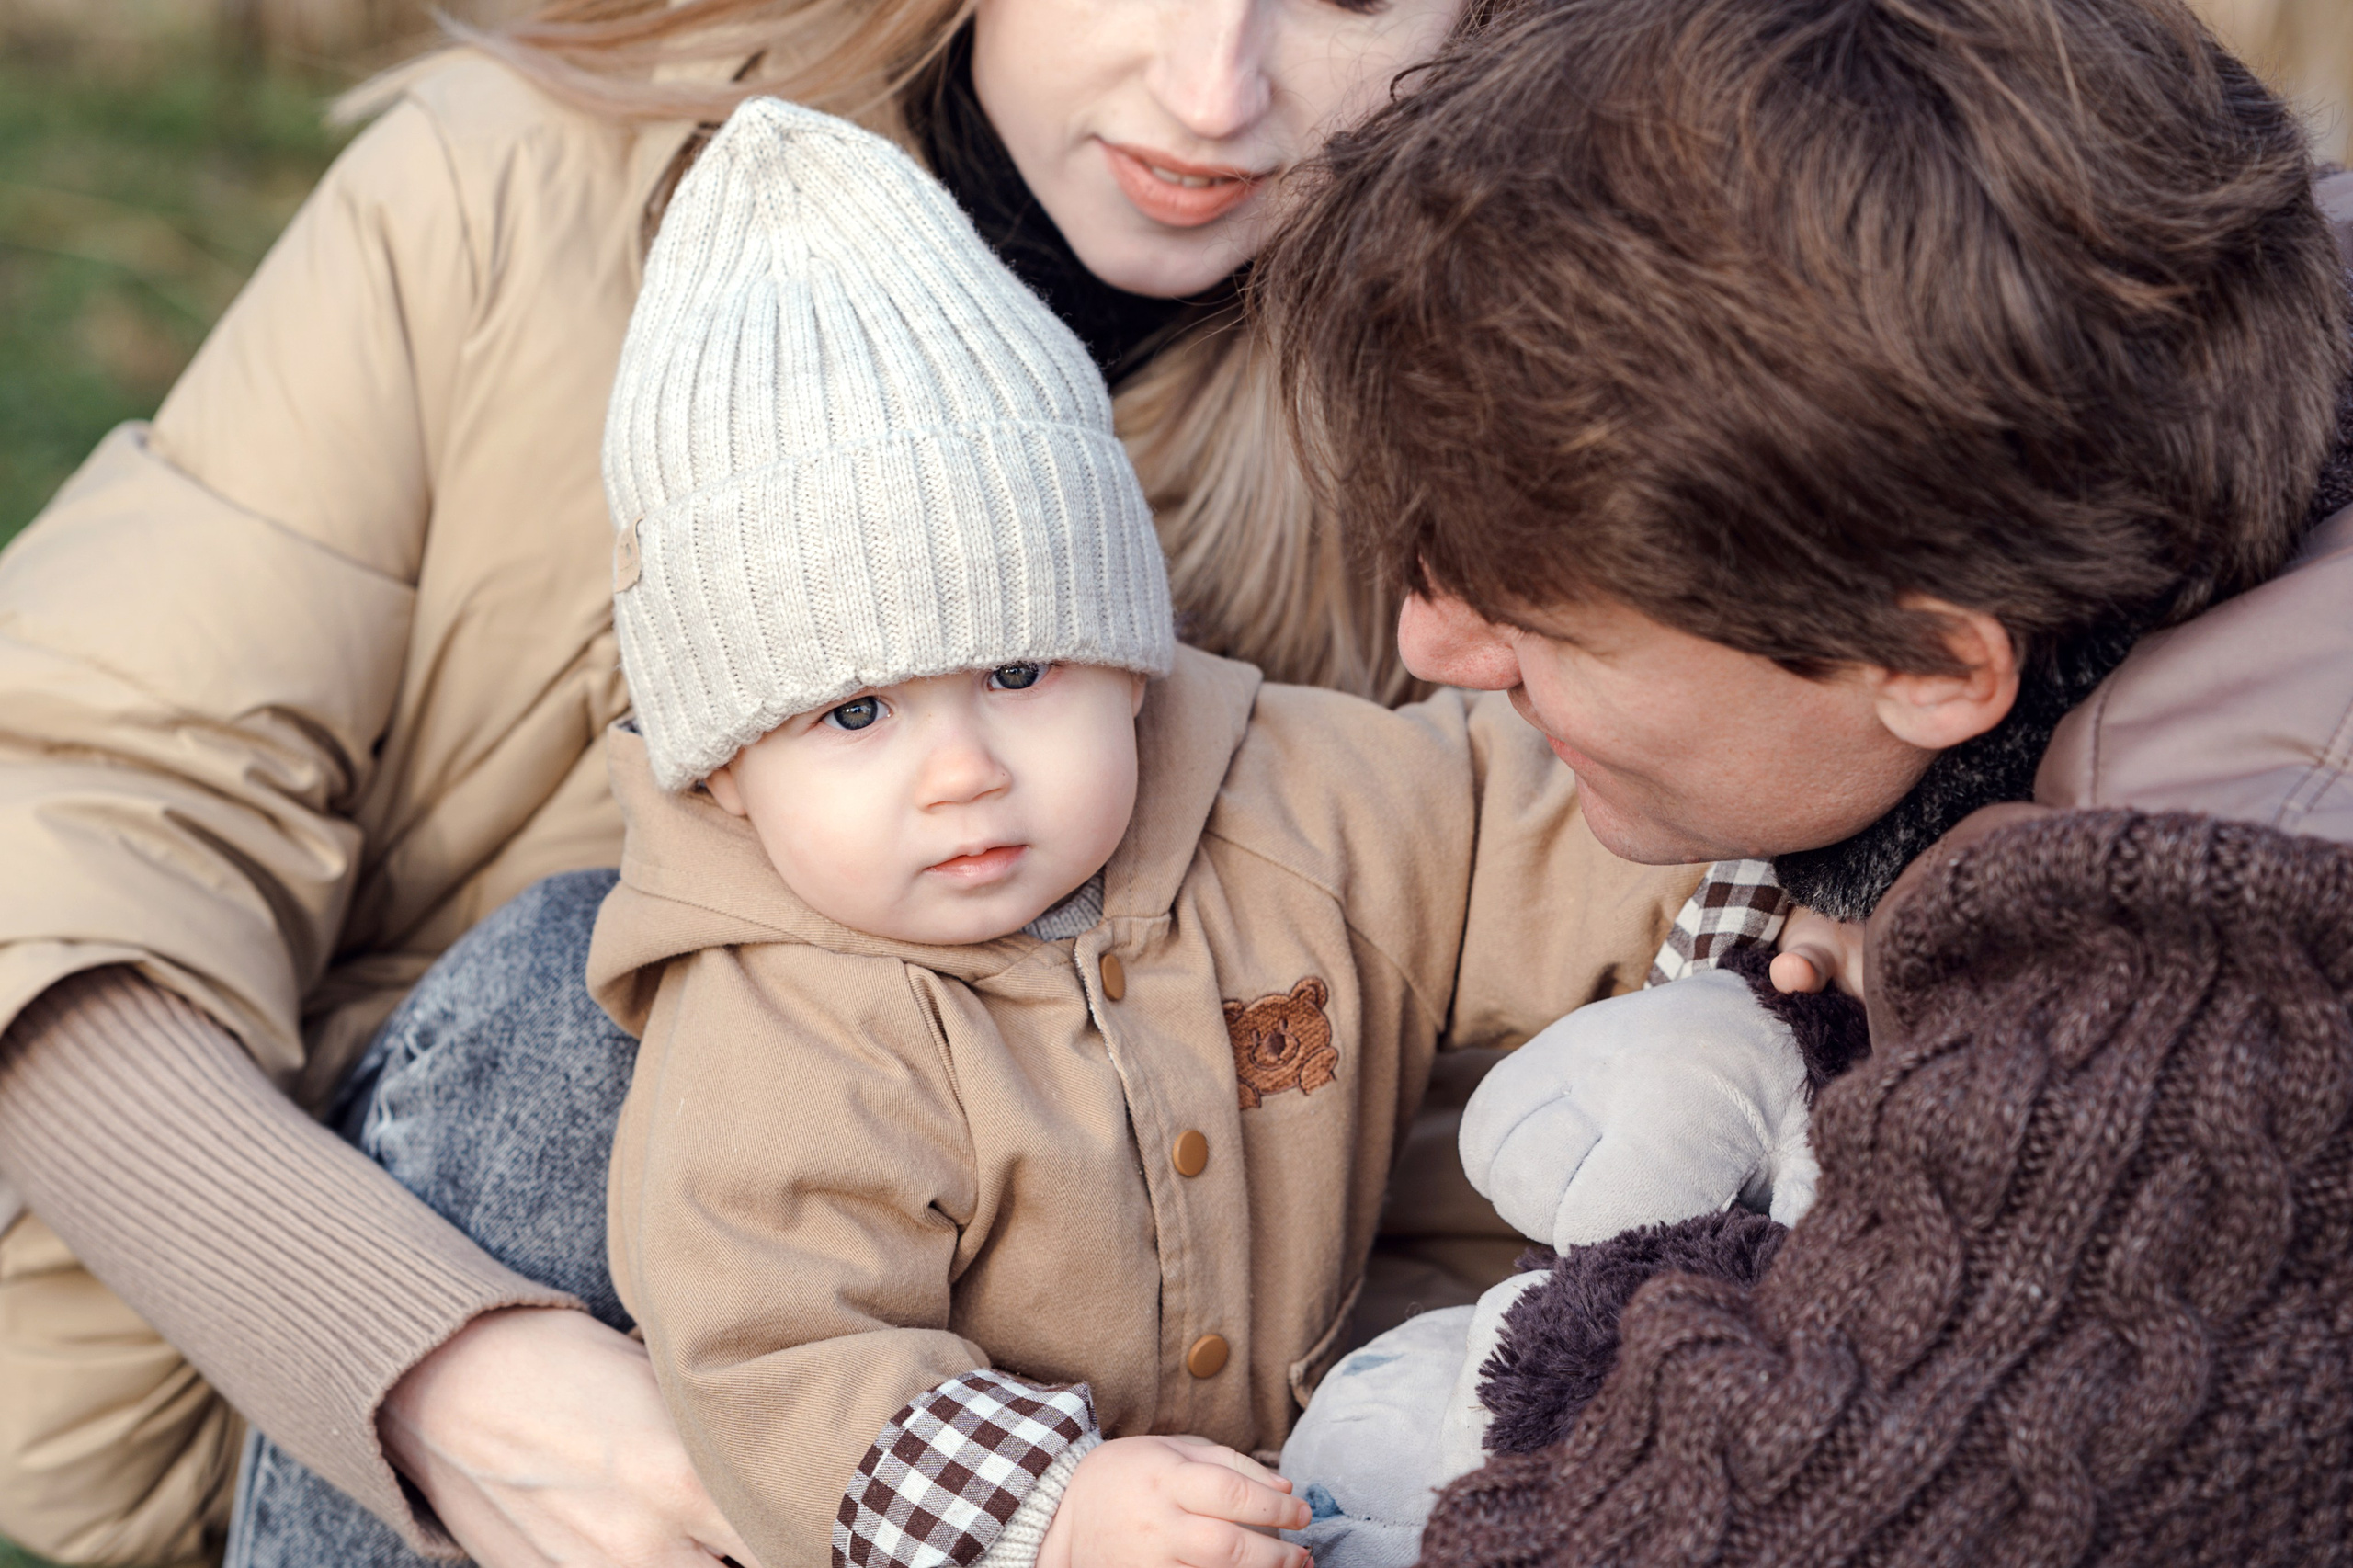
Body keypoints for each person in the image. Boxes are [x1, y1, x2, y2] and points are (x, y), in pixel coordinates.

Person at [0, 0, 1709, 1561]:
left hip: (1083, 1481)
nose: (1216, 87)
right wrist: (437, 1370)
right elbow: (61, 832)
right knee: (581, 991)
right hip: (393, 1393)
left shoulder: (1487, 404)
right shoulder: (510, 203)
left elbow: (1499, 1051)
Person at [1246, 0, 2353, 1555]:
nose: (1435, 643)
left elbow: (1723, 1521)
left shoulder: (2198, 1040)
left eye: (1536, 608)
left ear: (1927, 663)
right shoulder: (2173, 286)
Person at [572, 98, 1662, 1568]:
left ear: (1124, 655)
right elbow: (769, 1349)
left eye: (1020, 673)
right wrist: (1051, 1510)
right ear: (726, 772)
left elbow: (1531, 834)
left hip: (1335, 1461)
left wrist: (1786, 914)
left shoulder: (1284, 802)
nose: (960, 772)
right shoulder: (778, 1021)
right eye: (854, 716)